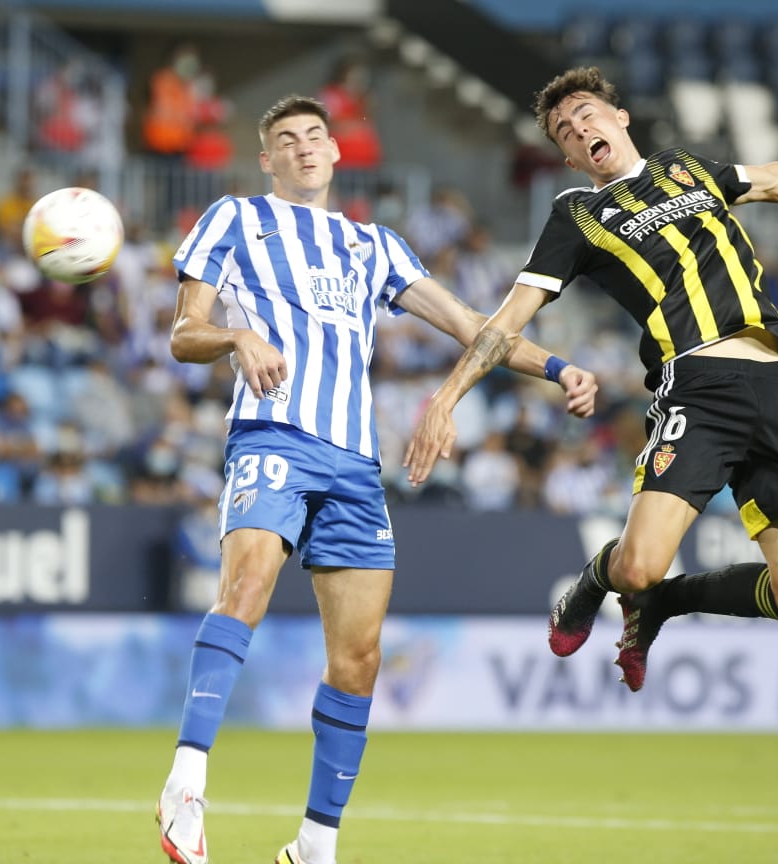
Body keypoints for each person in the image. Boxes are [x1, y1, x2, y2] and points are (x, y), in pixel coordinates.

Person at [154, 93, 597, 864]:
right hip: (275, 436)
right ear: (267, 160)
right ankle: (185, 783)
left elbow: (472, 327)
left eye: (314, 136)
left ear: (334, 152)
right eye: (284, 140)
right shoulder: (234, 218)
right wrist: (236, 335)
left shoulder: (374, 246)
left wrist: (556, 367)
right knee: (246, 589)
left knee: (358, 659)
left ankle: (315, 845)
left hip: (356, 467)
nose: (301, 149)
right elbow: (184, 332)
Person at [404, 66, 778, 693]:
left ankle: (665, 603)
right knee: (637, 567)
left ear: (619, 117)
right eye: (564, 132)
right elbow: (505, 321)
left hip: (774, 386)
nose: (579, 129)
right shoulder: (578, 215)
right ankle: (597, 581)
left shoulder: (683, 168)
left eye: (586, 114)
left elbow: (769, 181)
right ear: (571, 159)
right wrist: (446, 396)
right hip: (698, 385)